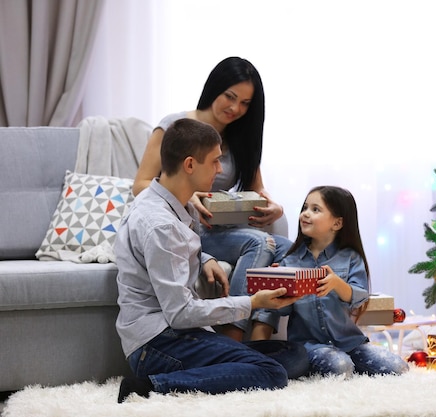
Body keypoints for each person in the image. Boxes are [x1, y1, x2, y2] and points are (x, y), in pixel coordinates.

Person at [115, 118, 308, 403]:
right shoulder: (160, 224)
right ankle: (151, 386)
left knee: (294, 354)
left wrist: (203, 257)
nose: (220, 171)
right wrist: (254, 303)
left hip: (177, 335)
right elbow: (180, 314)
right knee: (273, 372)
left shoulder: (176, 204)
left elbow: (166, 252)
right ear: (190, 165)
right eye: (215, 162)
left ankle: (229, 369)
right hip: (157, 344)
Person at [133, 57, 290, 341]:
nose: (235, 108)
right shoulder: (175, 127)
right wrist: (187, 196)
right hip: (190, 227)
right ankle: (232, 336)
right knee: (258, 242)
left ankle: (262, 334)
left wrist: (274, 206)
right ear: (214, 88)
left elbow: (258, 188)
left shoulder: (241, 137)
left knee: (288, 250)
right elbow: (140, 185)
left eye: (245, 103)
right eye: (230, 97)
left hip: (225, 228)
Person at [257, 186, 409, 377]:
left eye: (315, 209)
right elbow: (284, 310)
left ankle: (352, 365)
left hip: (351, 343)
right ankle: (338, 366)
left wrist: (338, 285)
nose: (305, 214)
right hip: (310, 346)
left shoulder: (350, 258)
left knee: (398, 367)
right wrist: (278, 288)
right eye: (305, 208)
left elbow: (360, 297)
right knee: (340, 366)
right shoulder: (290, 261)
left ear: (337, 223)